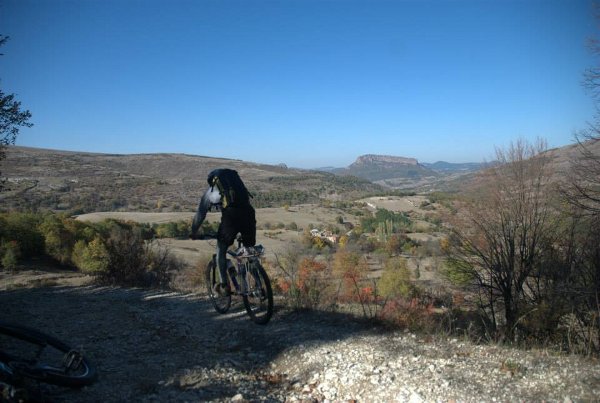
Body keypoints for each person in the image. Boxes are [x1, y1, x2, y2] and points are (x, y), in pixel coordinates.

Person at [190, 168, 256, 295]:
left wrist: (194, 231)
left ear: (213, 181)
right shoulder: (238, 187)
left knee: (221, 249)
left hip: (231, 217)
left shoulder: (211, 192)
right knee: (249, 252)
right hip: (249, 213)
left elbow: (200, 215)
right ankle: (260, 284)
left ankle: (224, 286)